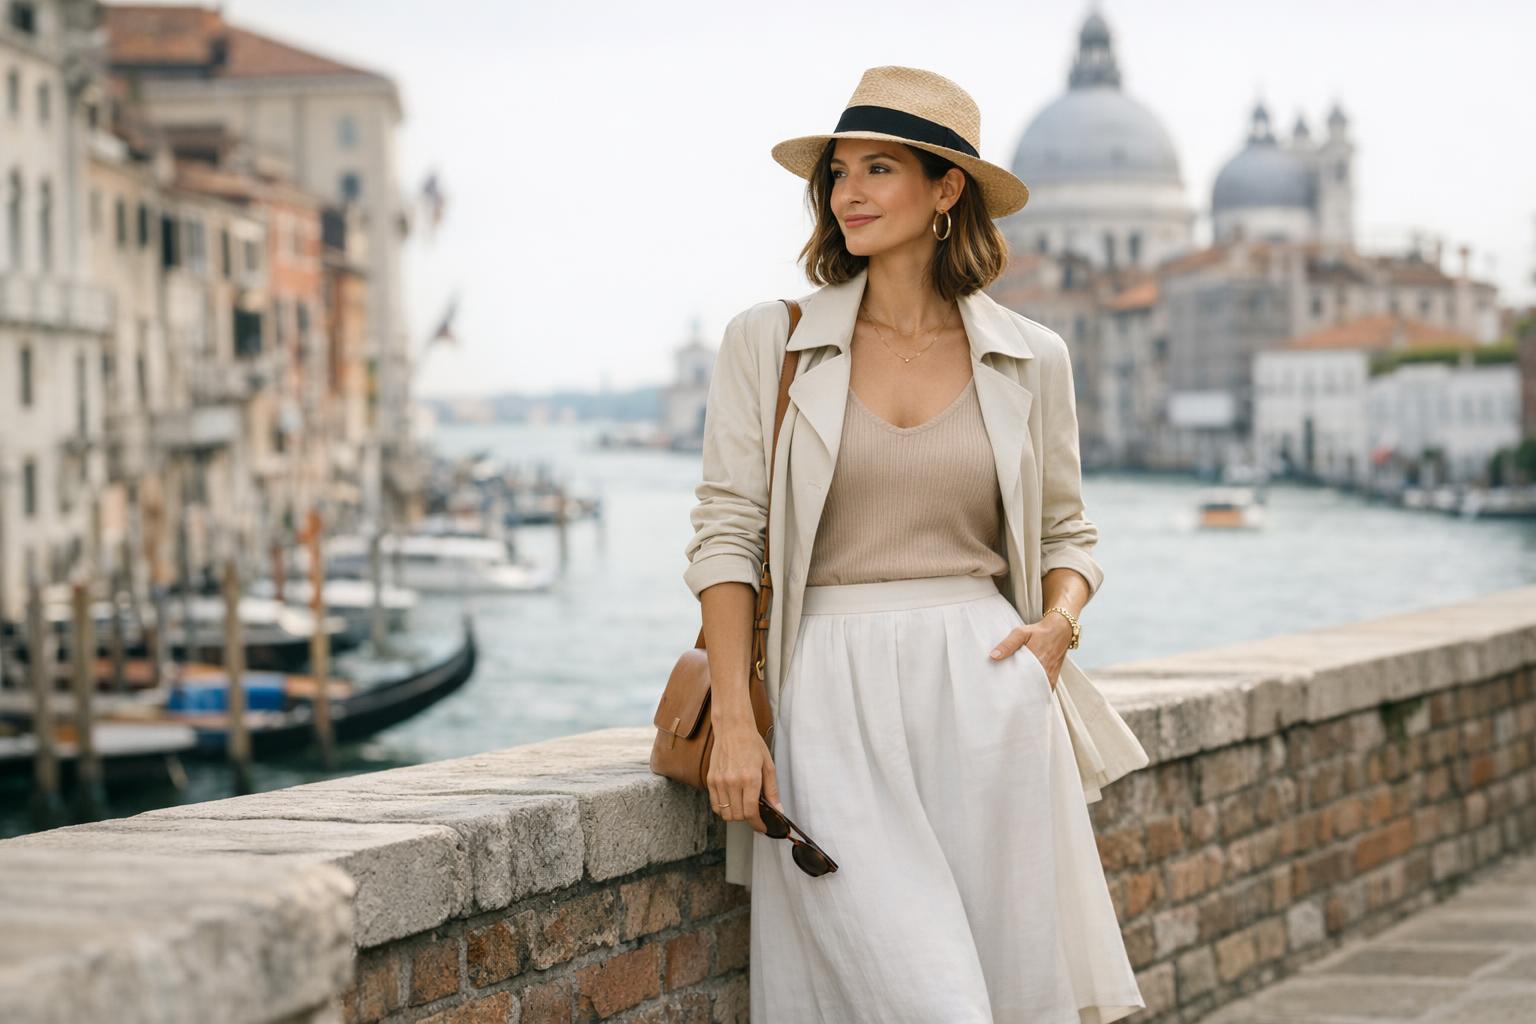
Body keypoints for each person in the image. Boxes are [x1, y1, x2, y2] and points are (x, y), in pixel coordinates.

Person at [683, 65, 1147, 1023]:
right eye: (839, 172)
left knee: (1005, 993)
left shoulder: (1031, 355)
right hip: (827, 692)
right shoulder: (767, 343)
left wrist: (1055, 632)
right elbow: (726, 536)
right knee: (923, 998)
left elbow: (1070, 531)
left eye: (879, 168)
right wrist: (736, 718)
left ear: (947, 190)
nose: (848, 192)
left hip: (989, 692)